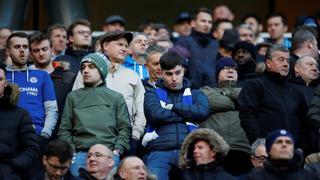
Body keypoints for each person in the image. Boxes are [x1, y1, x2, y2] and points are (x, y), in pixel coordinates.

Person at [73, 31, 146, 156]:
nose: (124, 49)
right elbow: (75, 105)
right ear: (105, 46)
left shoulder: (133, 76)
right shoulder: (86, 72)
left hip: (126, 139)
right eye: (120, 44)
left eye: (126, 46)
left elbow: (141, 110)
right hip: (91, 138)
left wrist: (135, 136)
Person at [59, 53, 131, 176]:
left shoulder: (116, 97)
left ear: (102, 71)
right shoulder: (73, 97)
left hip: (108, 153)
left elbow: (125, 128)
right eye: (83, 67)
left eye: (91, 67)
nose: (85, 71)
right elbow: (64, 129)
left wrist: (117, 151)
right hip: (80, 154)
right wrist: (72, 151)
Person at [143, 51, 210, 180]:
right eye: (168, 74)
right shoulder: (152, 94)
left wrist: (173, 107)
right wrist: (188, 114)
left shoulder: (196, 94)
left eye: (177, 73)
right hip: (160, 150)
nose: (174, 78)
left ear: (183, 71)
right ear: (161, 73)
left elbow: (202, 112)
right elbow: (155, 115)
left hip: (189, 151)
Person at [238, 45, 308, 151]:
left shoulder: (295, 91)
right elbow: (247, 116)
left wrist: (301, 147)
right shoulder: (255, 85)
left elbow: (304, 122)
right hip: (266, 150)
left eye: (287, 61)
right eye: (281, 60)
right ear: (268, 63)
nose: (285, 64)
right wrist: (260, 142)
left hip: (293, 150)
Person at [200, 57, 252, 175]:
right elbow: (221, 102)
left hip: (242, 148)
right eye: (225, 68)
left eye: (234, 69)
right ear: (217, 74)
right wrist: (236, 102)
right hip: (214, 148)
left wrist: (225, 94)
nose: (230, 71)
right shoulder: (206, 90)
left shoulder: (248, 90)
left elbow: (249, 99)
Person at [6, 32, 58, 148]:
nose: (22, 50)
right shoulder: (2, 76)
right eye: (17, 47)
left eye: (25, 47)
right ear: (8, 52)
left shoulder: (42, 75)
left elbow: (51, 110)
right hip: (7, 136)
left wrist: (44, 135)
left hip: (36, 136)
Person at [29, 32, 76, 138]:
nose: (41, 54)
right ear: (31, 55)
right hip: (32, 135)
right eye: (36, 51)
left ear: (52, 50)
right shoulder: (26, 78)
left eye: (44, 49)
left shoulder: (69, 77)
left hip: (60, 136)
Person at [0, 62, 39, 179]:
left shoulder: (20, 114)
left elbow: (32, 148)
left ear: (5, 83)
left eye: (0, 79)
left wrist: (11, 167)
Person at [246, 129, 318, 180]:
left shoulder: (309, 177)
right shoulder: (254, 178)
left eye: (288, 142)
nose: (284, 145)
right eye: (279, 142)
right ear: (269, 150)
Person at [176, 7, 219, 88]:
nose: (207, 24)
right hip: (190, 89)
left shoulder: (217, 44)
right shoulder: (183, 41)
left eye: (210, 22)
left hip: (213, 90)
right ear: (193, 23)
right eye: (203, 21)